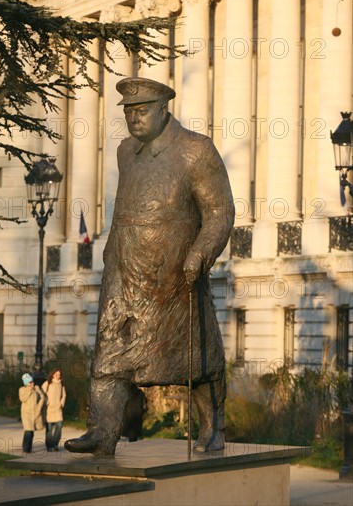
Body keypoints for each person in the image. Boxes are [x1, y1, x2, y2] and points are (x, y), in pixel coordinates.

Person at [65, 77, 235, 456]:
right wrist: (111, 254)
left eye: (141, 110)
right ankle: (103, 430)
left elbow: (220, 212)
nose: (134, 118)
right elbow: (124, 208)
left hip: (174, 273)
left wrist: (200, 253)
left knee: (196, 356)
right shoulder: (126, 152)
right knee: (109, 351)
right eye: (128, 111)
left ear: (163, 109)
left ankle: (212, 427)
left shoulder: (196, 151)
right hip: (124, 270)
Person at [19, 373, 45, 453]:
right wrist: (30, 390)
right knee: (28, 431)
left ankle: (28, 447)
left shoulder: (36, 389)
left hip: (35, 413)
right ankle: (26, 449)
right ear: (26, 383)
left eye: (32, 381)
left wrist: (39, 406)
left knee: (31, 431)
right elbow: (23, 399)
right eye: (30, 382)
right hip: (26, 414)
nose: (32, 383)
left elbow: (42, 397)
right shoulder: (22, 389)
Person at [42, 368, 66, 451]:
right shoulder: (47, 383)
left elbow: (64, 395)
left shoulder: (61, 384)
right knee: (49, 429)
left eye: (59, 375)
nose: (58, 376)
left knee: (59, 427)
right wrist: (46, 401)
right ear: (53, 375)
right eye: (56, 374)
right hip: (49, 410)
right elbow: (42, 393)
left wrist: (61, 403)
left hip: (58, 410)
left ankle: (55, 444)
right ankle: (49, 446)